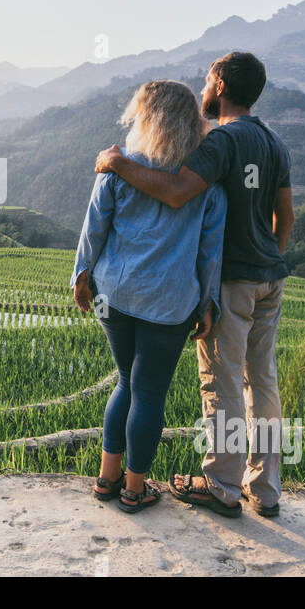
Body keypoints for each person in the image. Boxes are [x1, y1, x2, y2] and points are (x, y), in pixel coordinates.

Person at [95, 52, 294, 519]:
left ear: (221, 84)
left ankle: (222, 487)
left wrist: (117, 163)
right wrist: (270, 256)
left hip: (232, 282)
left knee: (221, 383)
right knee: (262, 382)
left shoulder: (221, 141)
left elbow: (177, 191)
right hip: (270, 277)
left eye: (207, 80)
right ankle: (265, 489)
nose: (203, 89)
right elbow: (284, 217)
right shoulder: (274, 143)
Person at [72, 80, 226, 514]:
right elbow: (209, 250)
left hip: (116, 295)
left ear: (146, 117)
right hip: (170, 302)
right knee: (149, 392)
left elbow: (94, 228)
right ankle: (135, 490)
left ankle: (106, 479)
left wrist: (81, 277)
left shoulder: (119, 165)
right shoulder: (203, 181)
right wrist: (208, 301)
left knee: (125, 380)